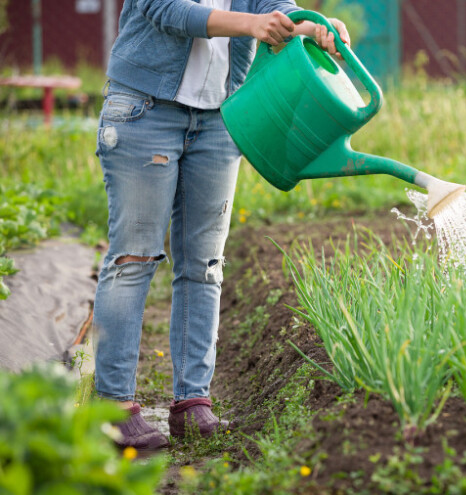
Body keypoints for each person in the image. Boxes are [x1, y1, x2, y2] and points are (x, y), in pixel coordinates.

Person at [93, 0, 349, 450]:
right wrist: (253, 25)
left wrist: (312, 26)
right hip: (145, 110)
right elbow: (167, 10)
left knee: (205, 264)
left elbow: (271, 8)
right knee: (134, 258)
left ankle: (192, 403)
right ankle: (113, 409)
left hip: (219, 118)